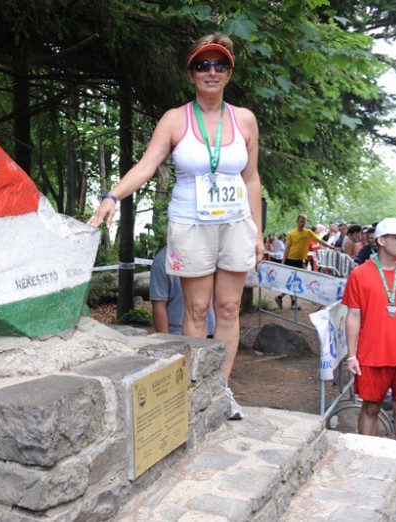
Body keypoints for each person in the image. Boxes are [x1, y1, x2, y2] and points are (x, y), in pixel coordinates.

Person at [87, 33, 263, 420]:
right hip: (191, 224)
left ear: (229, 73)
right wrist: (112, 196)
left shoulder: (245, 120)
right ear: (191, 73)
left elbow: (251, 178)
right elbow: (147, 166)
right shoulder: (175, 119)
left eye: (220, 64)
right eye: (203, 65)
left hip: (235, 223)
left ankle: (220, 389)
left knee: (229, 309)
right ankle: (195, 388)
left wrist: (259, 232)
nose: (211, 71)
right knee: (197, 310)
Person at [343, 217, 396, 448]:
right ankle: (365, 457)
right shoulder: (360, 274)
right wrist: (351, 355)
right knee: (371, 407)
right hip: (372, 355)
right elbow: (353, 316)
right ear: (381, 240)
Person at [150, 245, 216, 336]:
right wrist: (166, 341)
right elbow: (159, 306)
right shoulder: (163, 261)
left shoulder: (213, 255)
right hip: (178, 335)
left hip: (214, 332)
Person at [276, 214, 330, 309]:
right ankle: (292, 302)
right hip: (290, 260)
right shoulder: (291, 234)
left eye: (304, 221)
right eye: (301, 221)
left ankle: (281, 298)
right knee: (292, 282)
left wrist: (330, 246)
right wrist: (283, 262)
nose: (303, 223)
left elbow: (319, 240)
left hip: (300, 260)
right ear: (297, 222)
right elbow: (287, 248)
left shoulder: (308, 232)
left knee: (296, 282)